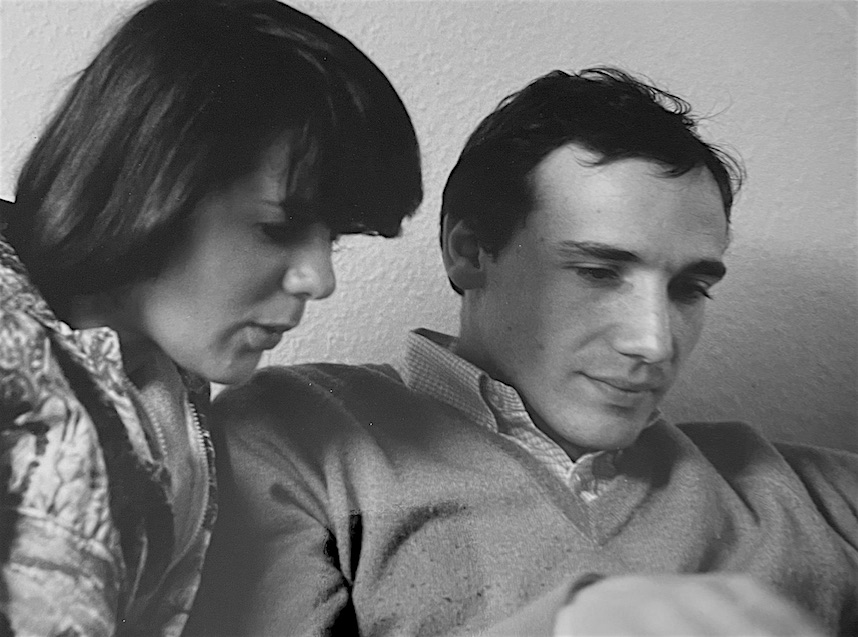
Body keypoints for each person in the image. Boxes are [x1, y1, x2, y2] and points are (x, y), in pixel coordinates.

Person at [190, 68, 858, 636]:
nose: (654, 342)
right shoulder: (299, 435)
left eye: (689, 289)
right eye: (598, 273)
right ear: (469, 251)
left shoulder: (800, 491)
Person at [0, 0, 422, 634]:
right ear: (148, 179)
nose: (320, 279)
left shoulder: (166, 386)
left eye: (332, 238)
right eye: (278, 226)